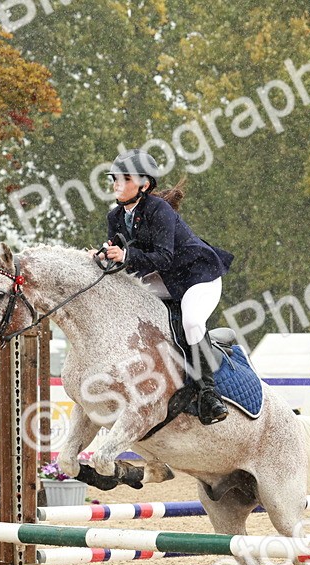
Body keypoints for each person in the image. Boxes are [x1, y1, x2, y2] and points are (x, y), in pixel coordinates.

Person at [103, 148, 233, 425]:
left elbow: (164, 257)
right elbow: (123, 260)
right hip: (161, 280)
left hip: (196, 279)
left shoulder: (159, 210)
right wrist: (103, 258)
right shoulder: (115, 217)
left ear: (144, 184)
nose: (116, 183)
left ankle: (208, 393)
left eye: (124, 179)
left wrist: (125, 256)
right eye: (114, 178)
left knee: (192, 322)